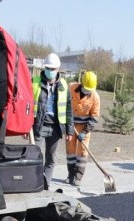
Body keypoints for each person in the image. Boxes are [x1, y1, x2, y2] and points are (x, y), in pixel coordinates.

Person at [32, 53, 73, 188]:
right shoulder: (35, 82)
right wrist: (26, 127)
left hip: (56, 127)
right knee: (35, 157)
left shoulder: (63, 85)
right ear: (45, 68)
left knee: (51, 158)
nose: (50, 71)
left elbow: (68, 109)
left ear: (58, 69)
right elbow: (28, 105)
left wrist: (69, 130)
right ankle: (34, 184)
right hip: (39, 125)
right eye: (48, 68)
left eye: (53, 69)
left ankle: (46, 185)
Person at [66, 71, 100, 186]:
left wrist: (85, 132)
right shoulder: (71, 88)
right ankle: (70, 174)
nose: (88, 91)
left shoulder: (95, 97)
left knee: (82, 152)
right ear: (82, 84)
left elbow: (94, 117)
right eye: (86, 88)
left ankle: (78, 176)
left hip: (84, 127)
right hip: (70, 125)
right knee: (70, 150)